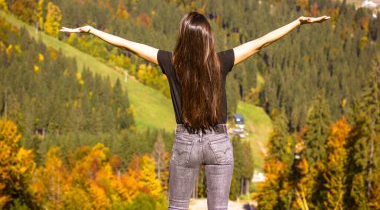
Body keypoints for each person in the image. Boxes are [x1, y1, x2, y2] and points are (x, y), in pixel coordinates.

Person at [60, 12, 330, 209]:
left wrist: (93, 31)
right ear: (208, 39)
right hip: (219, 142)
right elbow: (261, 42)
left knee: (177, 207)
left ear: (184, 37)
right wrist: (297, 23)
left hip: (186, 142)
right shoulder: (221, 61)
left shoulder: (170, 61)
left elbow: (128, 45)